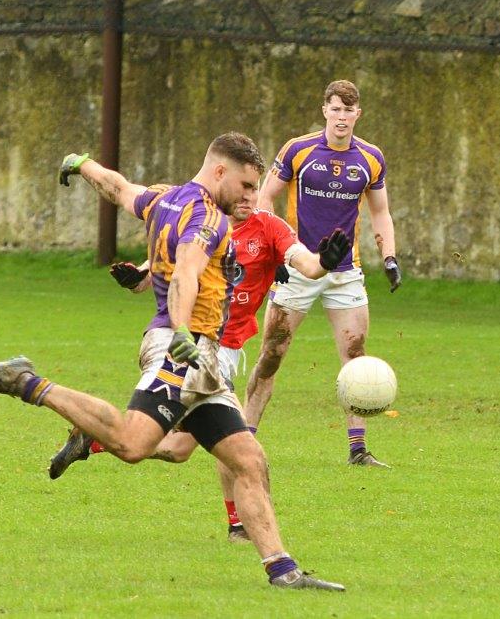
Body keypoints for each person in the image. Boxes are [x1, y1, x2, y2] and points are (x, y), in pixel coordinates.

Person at [0, 133, 345, 591]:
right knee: (132, 443)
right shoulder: (207, 219)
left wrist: (82, 164)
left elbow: (119, 188)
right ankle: (25, 381)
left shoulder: (163, 199)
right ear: (220, 171)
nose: (250, 196)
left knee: (248, 459)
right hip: (183, 347)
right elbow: (185, 273)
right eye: (244, 185)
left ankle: (283, 570)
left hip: (204, 358)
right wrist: (182, 333)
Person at [48, 201, 349, 545]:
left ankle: (94, 440)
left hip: (229, 349)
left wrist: (323, 263)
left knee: (178, 449)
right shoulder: (200, 223)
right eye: (243, 186)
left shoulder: (269, 227)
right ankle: (239, 527)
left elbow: (306, 262)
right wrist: (136, 280)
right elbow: (158, 275)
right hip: (199, 345)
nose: (248, 196)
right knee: (238, 443)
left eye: (254, 187)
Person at [249, 79, 401, 468]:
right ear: (324, 111)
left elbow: (380, 211)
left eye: (348, 110)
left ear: (358, 114)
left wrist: (390, 257)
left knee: (356, 357)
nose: (341, 116)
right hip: (297, 266)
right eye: (335, 108)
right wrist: (273, 255)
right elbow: (265, 199)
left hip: (345, 272)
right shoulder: (297, 150)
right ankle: (245, 438)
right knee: (271, 353)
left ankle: (358, 448)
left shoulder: (371, 158)